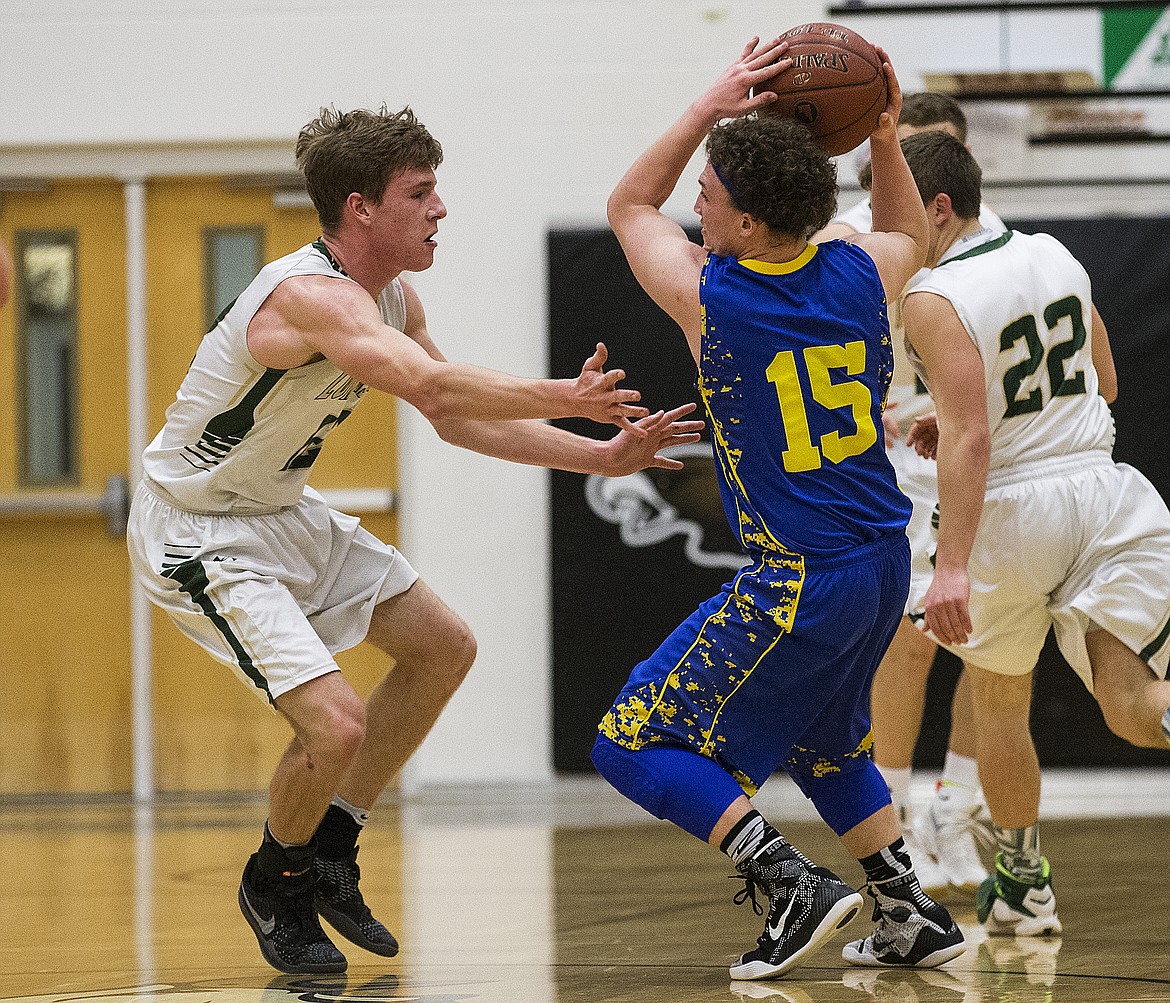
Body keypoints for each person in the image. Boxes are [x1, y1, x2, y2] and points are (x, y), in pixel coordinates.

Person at [126, 104, 705, 975]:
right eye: (420, 192)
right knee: (336, 725)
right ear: (360, 208)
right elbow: (432, 379)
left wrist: (606, 458)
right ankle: (274, 880)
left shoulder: (394, 295)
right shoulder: (309, 296)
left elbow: (447, 413)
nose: (441, 208)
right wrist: (564, 394)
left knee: (443, 647)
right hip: (201, 530)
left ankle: (331, 844)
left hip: (281, 507)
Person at [590, 37, 965, 980]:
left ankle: (788, 880)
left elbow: (628, 204)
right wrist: (882, 131)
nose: (695, 205)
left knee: (628, 740)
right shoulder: (862, 272)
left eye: (710, 197)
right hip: (883, 563)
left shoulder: (712, 299)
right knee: (825, 738)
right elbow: (911, 233)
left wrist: (706, 108)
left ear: (749, 224)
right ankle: (905, 906)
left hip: (800, 577)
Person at [897, 129, 1169, 936]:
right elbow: (1105, 382)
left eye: (898, 208)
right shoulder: (1058, 254)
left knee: (1000, 697)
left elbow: (974, 439)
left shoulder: (929, 294)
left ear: (939, 208)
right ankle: (1016, 887)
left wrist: (949, 570)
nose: (889, 224)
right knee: (1132, 704)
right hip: (1105, 489)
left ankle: (1023, 881)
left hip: (1012, 514)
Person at [812, 92, 1004, 898]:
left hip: (981, 447)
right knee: (911, 639)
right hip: (895, 454)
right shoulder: (850, 237)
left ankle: (953, 807)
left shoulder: (994, 235)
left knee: (998, 641)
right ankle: (891, 814)